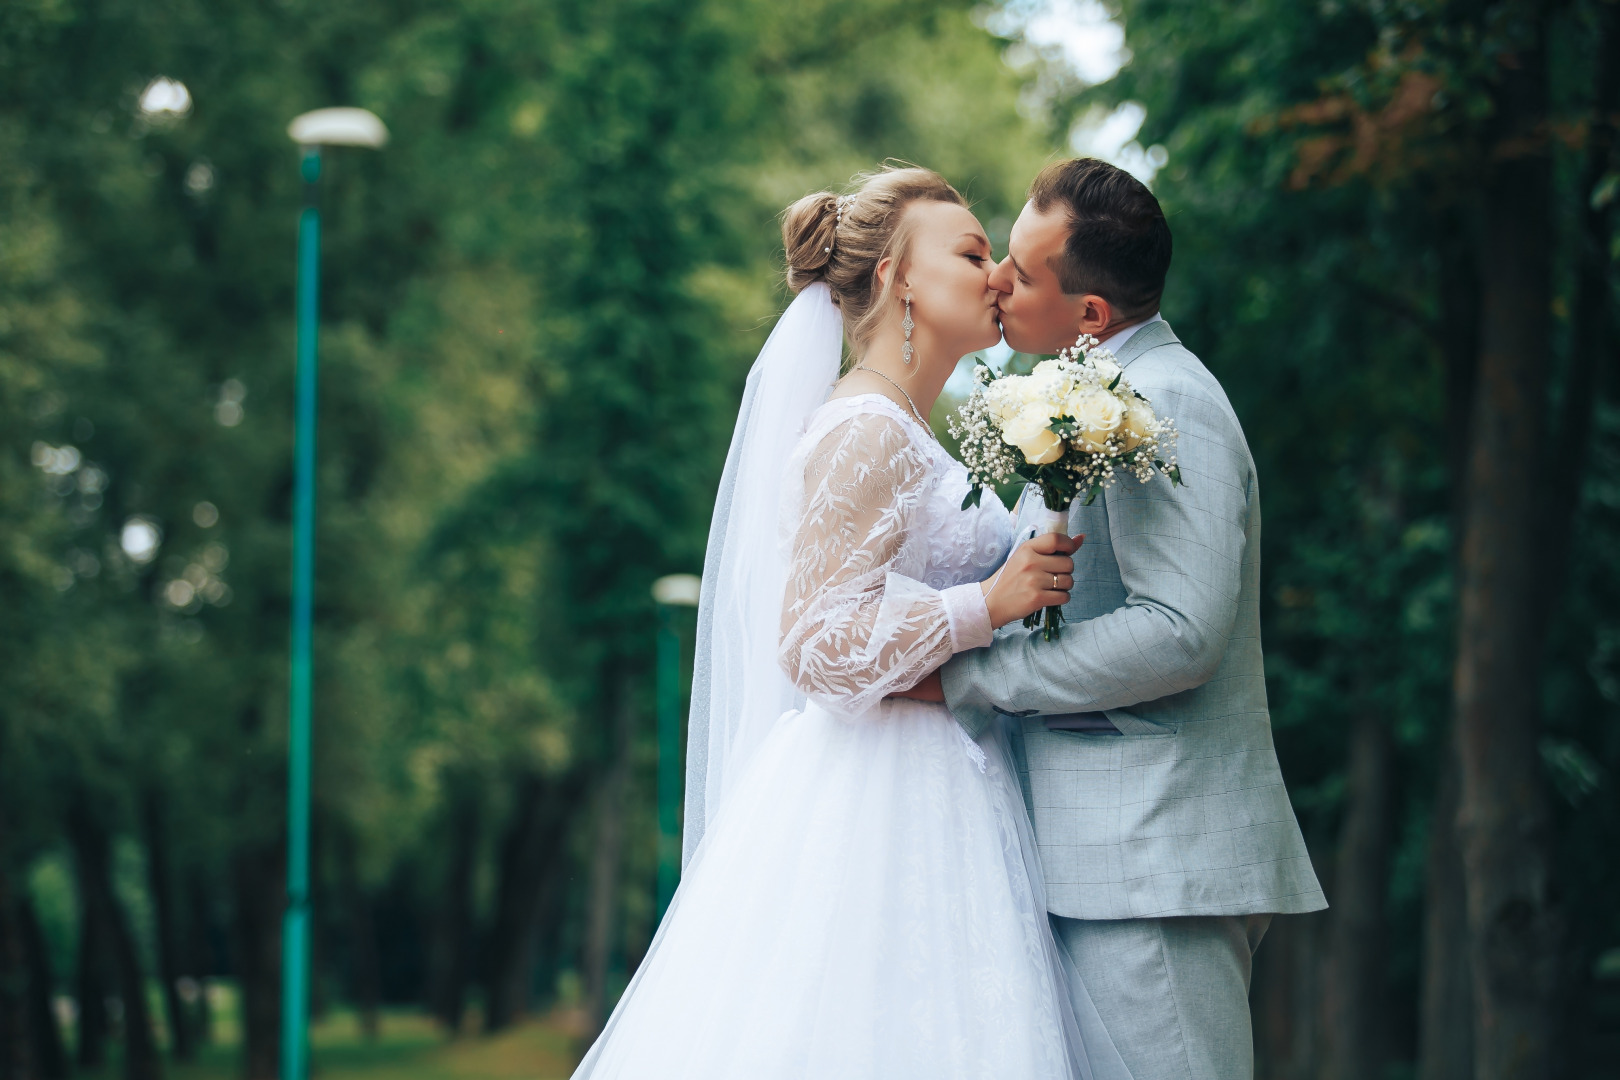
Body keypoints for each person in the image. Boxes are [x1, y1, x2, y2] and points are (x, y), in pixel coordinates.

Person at [570, 166, 1129, 1079]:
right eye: (973, 253)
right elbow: (817, 646)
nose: (996, 275)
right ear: (898, 280)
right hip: (877, 796)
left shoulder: (907, 425)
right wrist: (985, 605)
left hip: (944, 772)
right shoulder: (864, 427)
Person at [897, 157, 1327, 1080]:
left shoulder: (1167, 403)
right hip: (1105, 857)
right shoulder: (1104, 392)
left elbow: (1180, 630)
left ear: (1091, 315)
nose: (998, 281)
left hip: (1151, 863)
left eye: (1021, 267)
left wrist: (973, 674)